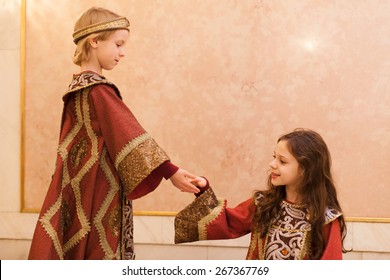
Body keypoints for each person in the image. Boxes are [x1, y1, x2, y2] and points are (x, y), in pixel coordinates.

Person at [28, 6, 201, 260]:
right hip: (97, 195)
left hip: (79, 190)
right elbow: (128, 134)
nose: (123, 53)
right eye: (118, 44)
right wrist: (170, 171)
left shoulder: (76, 87)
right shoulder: (98, 90)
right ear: (94, 41)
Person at [175, 129, 348, 260]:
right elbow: (226, 222)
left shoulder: (325, 218)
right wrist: (204, 189)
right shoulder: (263, 205)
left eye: (282, 161)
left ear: (305, 169)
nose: (272, 164)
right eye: (274, 157)